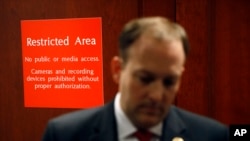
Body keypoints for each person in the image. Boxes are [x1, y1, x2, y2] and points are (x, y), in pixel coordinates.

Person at [42, 16, 229, 141]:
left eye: (169, 82)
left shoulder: (212, 136)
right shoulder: (64, 135)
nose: (157, 95)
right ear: (117, 70)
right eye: (145, 79)